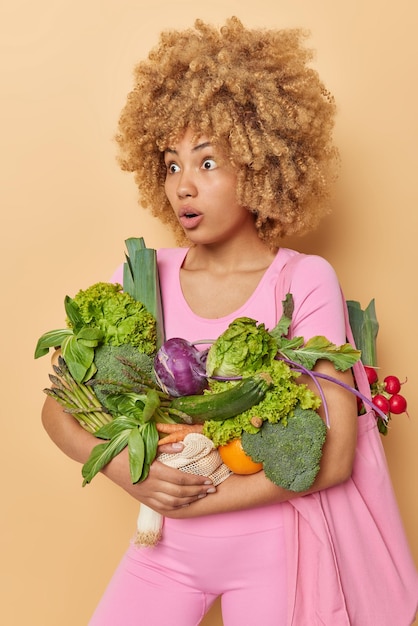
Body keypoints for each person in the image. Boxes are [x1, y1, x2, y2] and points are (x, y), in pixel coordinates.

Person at [41, 17, 418, 625]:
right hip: (163, 549)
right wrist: (127, 475)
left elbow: (338, 454)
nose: (183, 185)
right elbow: (57, 408)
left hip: (276, 553)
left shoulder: (304, 280)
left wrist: (196, 502)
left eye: (208, 162)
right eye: (170, 164)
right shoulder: (142, 276)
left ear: (262, 164)